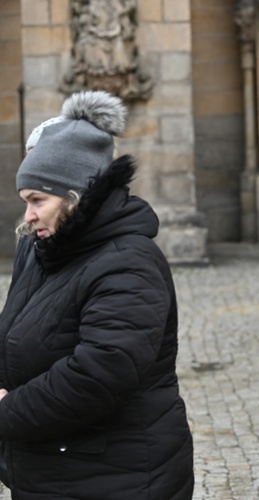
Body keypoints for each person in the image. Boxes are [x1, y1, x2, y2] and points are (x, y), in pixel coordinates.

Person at [0, 91, 195, 498]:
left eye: (38, 200)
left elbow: (100, 374)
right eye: (25, 202)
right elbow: (15, 336)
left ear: (75, 197)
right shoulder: (44, 250)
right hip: (55, 468)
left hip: (116, 475)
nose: (29, 215)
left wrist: (6, 412)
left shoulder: (129, 261)